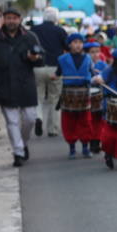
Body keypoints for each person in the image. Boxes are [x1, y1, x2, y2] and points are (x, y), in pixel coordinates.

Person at [0, 7, 44, 167]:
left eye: (14, 18)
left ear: (19, 19)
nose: (11, 21)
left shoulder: (30, 37)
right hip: (4, 84)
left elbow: (41, 58)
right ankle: (18, 152)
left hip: (25, 84)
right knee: (12, 122)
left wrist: (34, 58)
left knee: (30, 118)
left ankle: (23, 143)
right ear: (3, 20)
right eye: (8, 18)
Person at [56, 33, 95, 159]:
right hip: (68, 93)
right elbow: (58, 73)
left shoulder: (88, 59)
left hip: (84, 93)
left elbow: (93, 73)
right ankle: (72, 148)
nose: (78, 45)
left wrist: (97, 78)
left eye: (80, 42)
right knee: (69, 122)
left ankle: (85, 147)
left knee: (86, 121)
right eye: (75, 42)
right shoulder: (62, 59)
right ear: (69, 44)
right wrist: (54, 76)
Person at [31, 7, 67, 138]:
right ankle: (52, 129)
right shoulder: (60, 31)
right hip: (55, 68)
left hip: (37, 67)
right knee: (54, 98)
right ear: (56, 18)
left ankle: (39, 117)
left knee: (38, 96)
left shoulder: (34, 30)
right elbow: (67, 47)